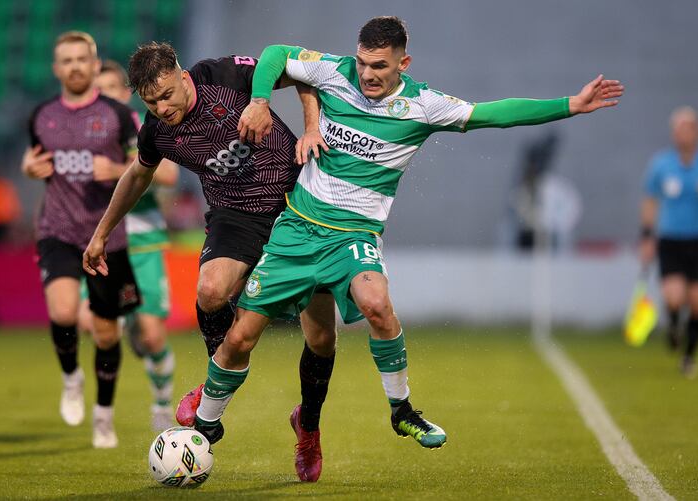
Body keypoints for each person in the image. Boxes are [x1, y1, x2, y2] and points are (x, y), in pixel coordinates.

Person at [186, 15, 624, 453]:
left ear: (403, 63)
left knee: (376, 304)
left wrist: (570, 104)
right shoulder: (336, 72)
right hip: (297, 230)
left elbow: (493, 114)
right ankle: (205, 427)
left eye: (379, 65)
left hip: (353, 236)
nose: (367, 74)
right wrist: (260, 100)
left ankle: (401, 409)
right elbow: (276, 54)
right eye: (363, 62)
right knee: (242, 337)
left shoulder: (423, 105)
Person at [83, 42, 336, 482]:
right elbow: (137, 175)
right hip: (235, 214)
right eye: (150, 102)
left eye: (166, 95)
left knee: (321, 338)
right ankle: (215, 385)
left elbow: (303, 75)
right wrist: (101, 234)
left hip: (296, 204)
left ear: (183, 77)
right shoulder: (157, 131)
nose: (161, 108)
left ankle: (308, 427)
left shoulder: (224, 75)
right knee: (210, 291)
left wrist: (311, 128)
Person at [22, 31, 142, 448]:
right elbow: (35, 162)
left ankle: (104, 415)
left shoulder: (118, 115)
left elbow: (143, 163)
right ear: (57, 69)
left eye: (81, 59)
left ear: (95, 66)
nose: (74, 66)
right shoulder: (41, 116)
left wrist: (115, 170)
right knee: (63, 310)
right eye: (66, 60)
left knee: (108, 335)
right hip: (58, 231)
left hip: (107, 236)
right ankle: (71, 377)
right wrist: (28, 169)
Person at [78, 59, 181, 431]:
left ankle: (161, 403)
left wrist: (121, 168)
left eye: (109, 90)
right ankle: (104, 410)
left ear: (125, 94)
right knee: (89, 324)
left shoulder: (145, 127)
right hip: (102, 246)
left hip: (143, 243)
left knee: (152, 336)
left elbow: (169, 173)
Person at [640, 106, 698, 379]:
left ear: (696, 132)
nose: (682, 134)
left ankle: (688, 357)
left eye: (687, 129)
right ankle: (674, 325)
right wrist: (646, 236)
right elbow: (651, 201)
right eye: (678, 130)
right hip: (671, 240)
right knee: (674, 297)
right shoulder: (662, 164)